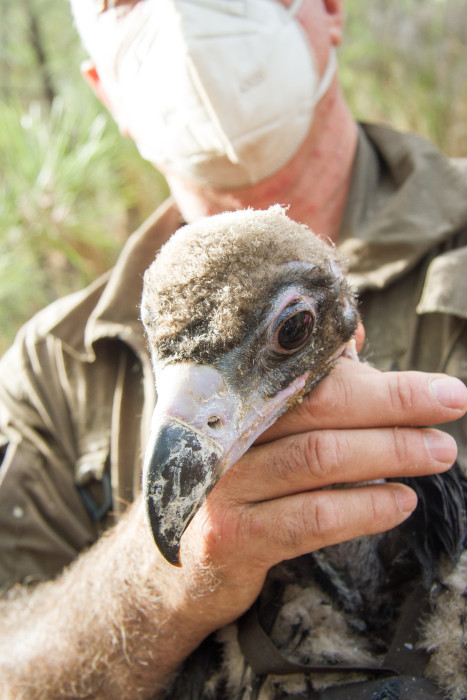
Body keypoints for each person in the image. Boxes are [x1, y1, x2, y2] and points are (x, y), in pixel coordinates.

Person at [0, 0, 466, 697]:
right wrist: (158, 583)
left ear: (330, 10)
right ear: (104, 87)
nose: (185, 17)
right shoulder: (54, 366)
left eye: (287, 334)